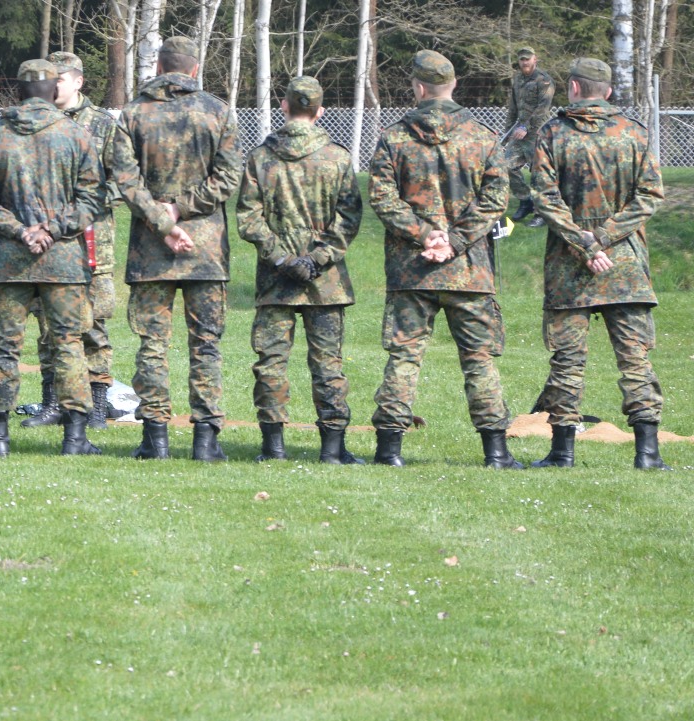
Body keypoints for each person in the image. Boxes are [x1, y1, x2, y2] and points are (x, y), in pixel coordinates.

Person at [367, 50, 521, 469]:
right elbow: (495, 200)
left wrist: (424, 235)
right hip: (469, 271)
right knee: (479, 360)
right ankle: (496, 452)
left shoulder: (394, 137)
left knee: (404, 357)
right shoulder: (482, 137)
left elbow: (381, 196)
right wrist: (454, 240)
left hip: (410, 269)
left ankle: (389, 451)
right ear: (453, 86)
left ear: (418, 88)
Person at [528, 58, 671, 470]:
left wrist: (586, 243)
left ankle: (562, 452)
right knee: (635, 360)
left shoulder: (552, 133)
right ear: (607, 91)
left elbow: (544, 198)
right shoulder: (633, 133)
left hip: (569, 267)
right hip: (624, 266)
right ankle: (648, 452)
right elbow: (649, 196)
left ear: (573, 88)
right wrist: (605, 238)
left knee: (567, 362)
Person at [0, 58, 105, 457]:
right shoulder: (76, 135)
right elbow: (91, 198)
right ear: (52, 90)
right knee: (69, 345)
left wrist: (19, 230)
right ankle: (75, 438)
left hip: (8, 262)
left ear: (19, 90)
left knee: (4, 346)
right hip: (62, 263)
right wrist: (52, 229)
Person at [109, 36, 240, 461]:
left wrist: (164, 218)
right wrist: (181, 212)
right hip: (205, 250)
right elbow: (227, 179)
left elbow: (126, 182)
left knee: (152, 345)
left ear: (160, 66)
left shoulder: (133, 113)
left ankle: (156, 439)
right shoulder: (217, 112)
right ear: (195, 69)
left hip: (151, 250)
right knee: (205, 344)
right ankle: (206, 440)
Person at [236, 76, 363, 465]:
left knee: (271, 362)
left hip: (276, 280)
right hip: (325, 283)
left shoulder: (261, 157)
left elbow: (248, 218)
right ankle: (332, 449)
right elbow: (349, 218)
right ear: (320, 110)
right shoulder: (338, 158)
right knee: (328, 364)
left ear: (284, 106)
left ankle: (272, 448)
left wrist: (282, 258)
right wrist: (317, 259)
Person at [19, 51, 120, 431]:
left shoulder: (103, 125)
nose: (54, 84)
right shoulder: (36, 121)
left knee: (92, 324)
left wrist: (79, 202)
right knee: (48, 324)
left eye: (60, 78)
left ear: (77, 81)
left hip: (91, 241)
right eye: (50, 78)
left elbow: (119, 181)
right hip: (47, 242)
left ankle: (95, 404)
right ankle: (53, 402)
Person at [506, 47, 555, 228]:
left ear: (535, 59)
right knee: (506, 166)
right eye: (521, 60)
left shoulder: (544, 80)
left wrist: (526, 126)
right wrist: (507, 132)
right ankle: (525, 200)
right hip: (519, 132)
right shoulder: (517, 79)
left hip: (538, 132)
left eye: (527, 59)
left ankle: (540, 212)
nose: (524, 62)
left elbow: (543, 108)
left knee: (539, 174)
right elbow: (512, 107)